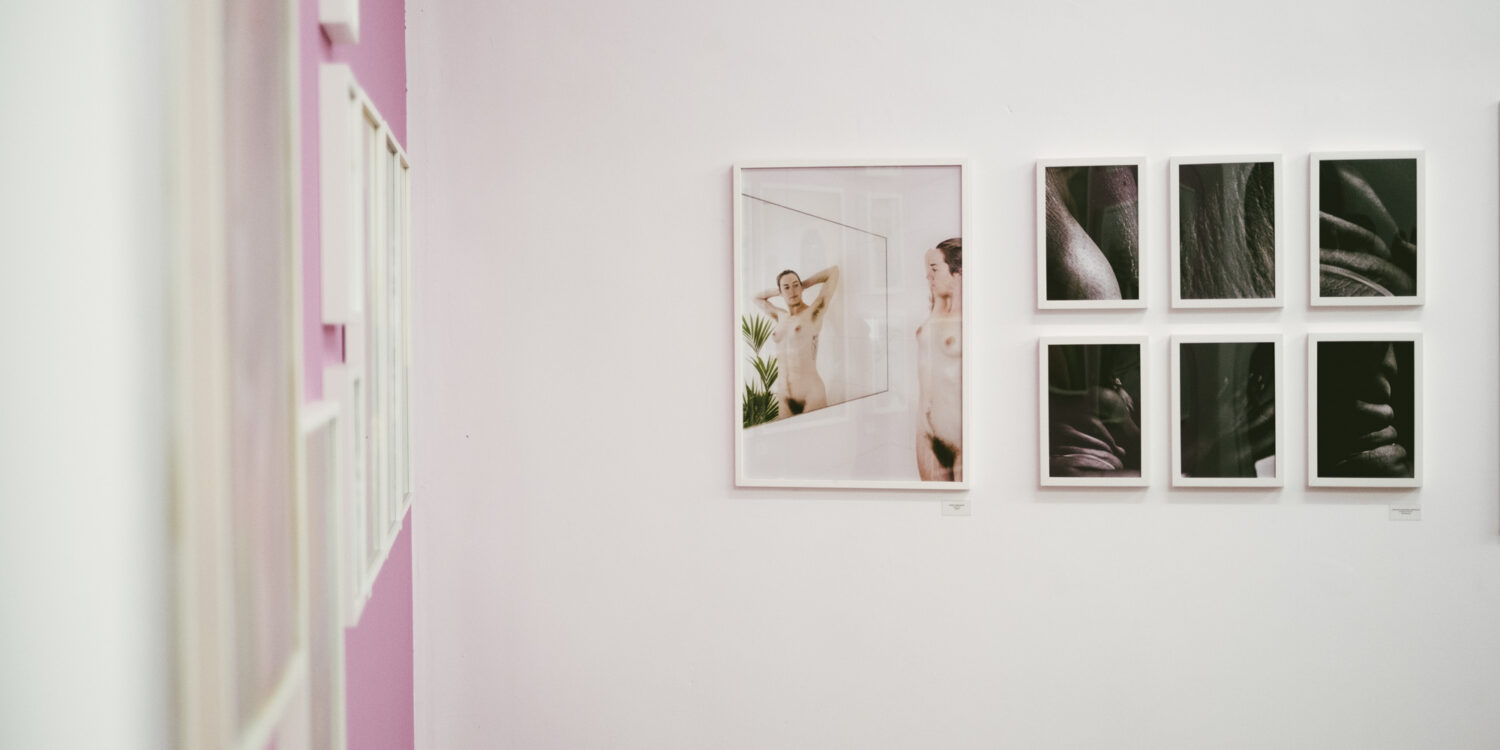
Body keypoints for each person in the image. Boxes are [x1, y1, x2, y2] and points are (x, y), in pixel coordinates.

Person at [754, 265, 839, 418]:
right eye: (787, 287)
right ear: (781, 291)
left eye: (795, 285)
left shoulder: (813, 312)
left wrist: (804, 284)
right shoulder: (780, 316)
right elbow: (757, 298)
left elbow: (833, 272)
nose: (792, 291)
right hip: (784, 396)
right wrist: (779, 291)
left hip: (811, 393)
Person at [916, 238, 962, 481]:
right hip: (926, 431)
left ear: (959, 272)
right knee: (930, 501)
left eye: (934, 269)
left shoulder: (972, 320)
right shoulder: (935, 312)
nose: (928, 276)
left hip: (959, 434)